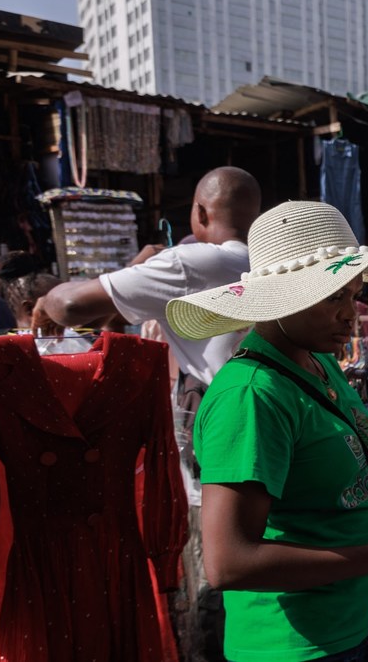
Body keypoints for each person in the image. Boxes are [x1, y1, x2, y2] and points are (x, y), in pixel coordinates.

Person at [163, 201, 368, 661]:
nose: (351, 314)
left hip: (343, 626)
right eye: (332, 297)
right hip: (290, 646)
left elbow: (339, 481)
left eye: (352, 294)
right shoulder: (252, 396)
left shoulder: (317, 363)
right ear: (281, 301)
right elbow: (228, 563)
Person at [33, 165, 262, 661]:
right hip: (273, 449)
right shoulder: (273, 258)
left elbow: (70, 305)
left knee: (214, 596)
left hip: (220, 464)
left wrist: (52, 300)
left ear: (200, 213)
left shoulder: (195, 262)